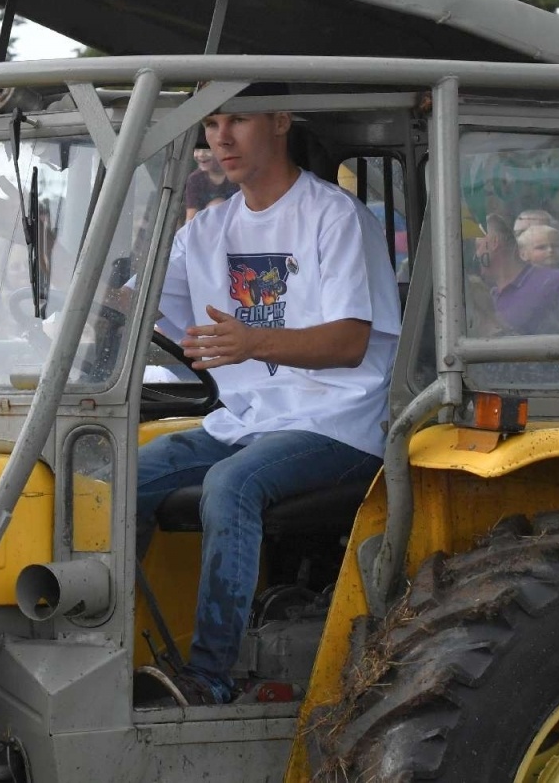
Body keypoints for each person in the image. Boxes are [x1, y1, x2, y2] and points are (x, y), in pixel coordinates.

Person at [133, 98, 400, 706]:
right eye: (212, 123)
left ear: (280, 121)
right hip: (248, 419)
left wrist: (252, 339)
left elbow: (351, 342)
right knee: (121, 476)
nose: (221, 138)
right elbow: (141, 306)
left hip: (339, 419)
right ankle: (112, 647)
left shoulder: (334, 217)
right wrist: (95, 306)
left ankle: (211, 676)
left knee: (232, 485)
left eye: (238, 120)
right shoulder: (205, 229)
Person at [469, 213, 559, 336]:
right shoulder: (491, 298)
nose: (476, 254)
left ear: (494, 243)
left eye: (478, 246)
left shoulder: (557, 282)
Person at [184, 146, 235, 220]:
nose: (201, 154)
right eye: (197, 149)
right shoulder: (194, 179)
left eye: (208, 149)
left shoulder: (235, 175)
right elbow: (191, 218)